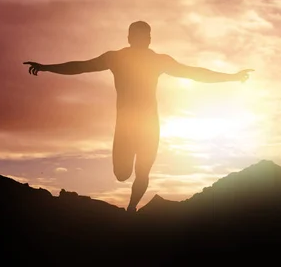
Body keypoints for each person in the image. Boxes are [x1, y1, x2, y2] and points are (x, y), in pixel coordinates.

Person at [23, 21, 254, 212]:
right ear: (130, 38)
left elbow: (194, 73)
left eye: (148, 36)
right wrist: (46, 67)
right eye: (142, 35)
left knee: (143, 171)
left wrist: (232, 77)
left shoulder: (159, 60)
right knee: (122, 174)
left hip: (149, 125)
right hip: (125, 126)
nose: (146, 39)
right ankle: (130, 204)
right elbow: (81, 66)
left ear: (149, 39)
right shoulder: (116, 58)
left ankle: (131, 209)